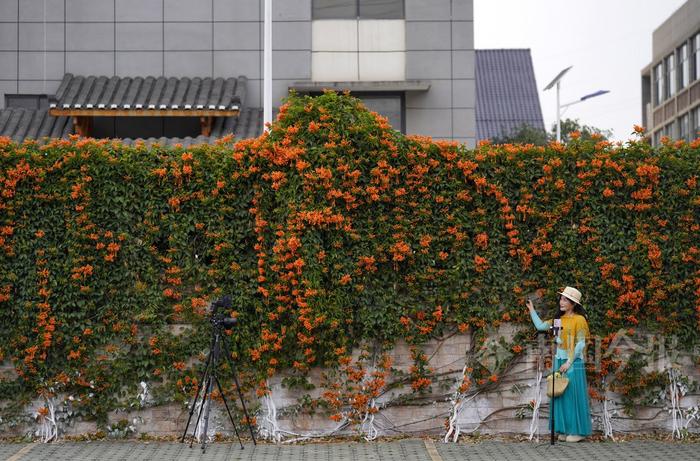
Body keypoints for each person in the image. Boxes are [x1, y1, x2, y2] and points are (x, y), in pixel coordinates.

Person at [527, 286, 592, 442]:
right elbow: (541, 327)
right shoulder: (558, 320)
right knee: (560, 395)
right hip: (559, 361)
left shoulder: (579, 320)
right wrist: (531, 310)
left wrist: (568, 363)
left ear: (573, 303)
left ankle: (577, 431)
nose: (561, 302)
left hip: (573, 362)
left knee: (572, 395)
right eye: (561, 299)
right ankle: (564, 429)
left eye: (565, 299)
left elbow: (581, 344)